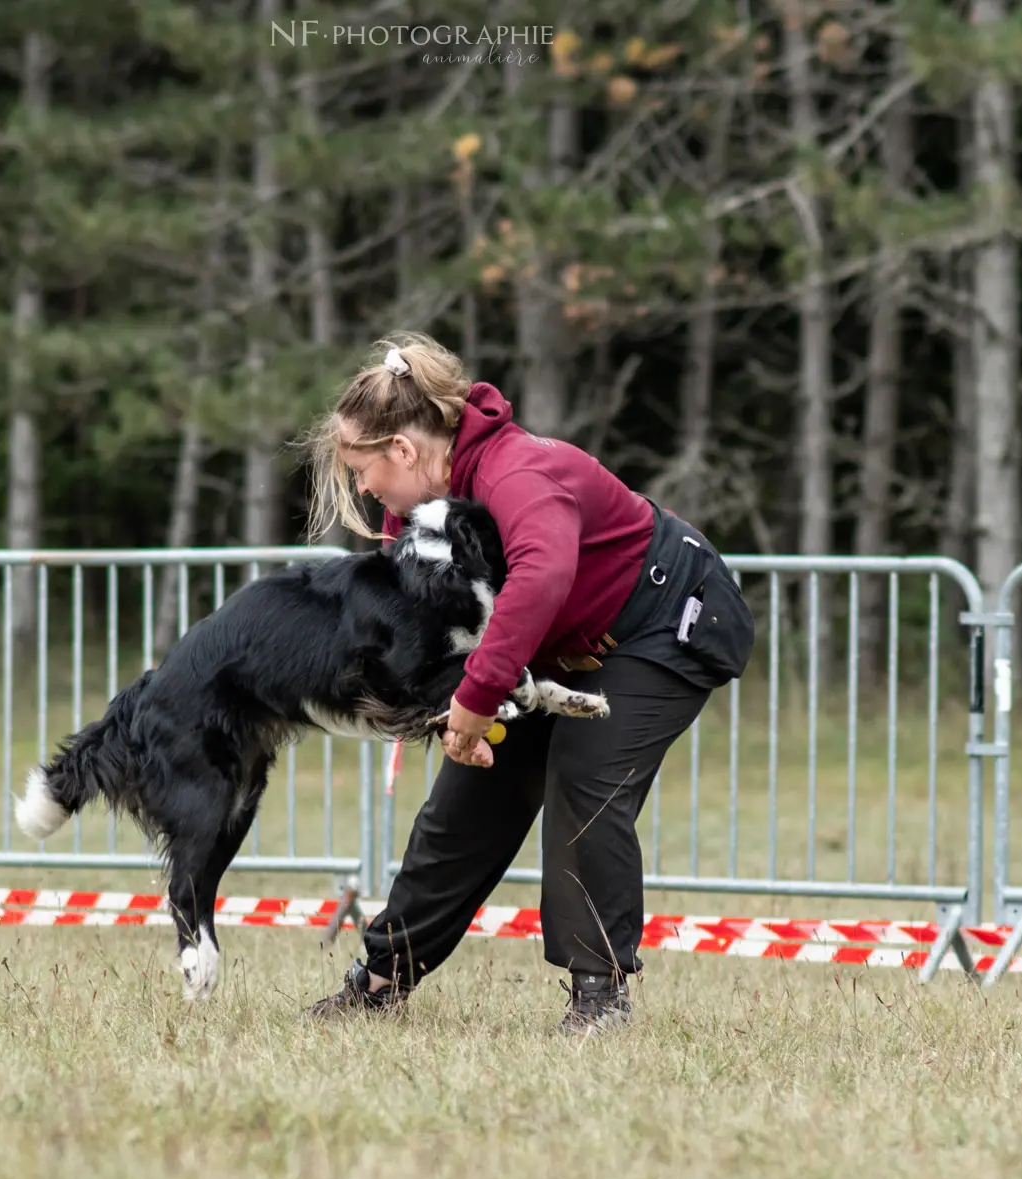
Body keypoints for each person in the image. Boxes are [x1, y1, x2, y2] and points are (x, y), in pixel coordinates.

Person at [303, 332, 754, 1034]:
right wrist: (438, 701)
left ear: (403, 451)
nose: (362, 488)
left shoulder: (516, 472)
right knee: (464, 803)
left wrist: (477, 698)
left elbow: (543, 575)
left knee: (586, 778)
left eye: (362, 469)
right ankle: (381, 978)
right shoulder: (414, 513)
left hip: (667, 621)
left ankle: (600, 995)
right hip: (562, 644)